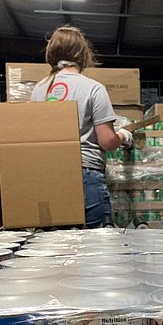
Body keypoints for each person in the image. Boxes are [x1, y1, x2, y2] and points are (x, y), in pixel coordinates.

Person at [30, 25, 132, 228]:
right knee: (94, 247)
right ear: (83, 54)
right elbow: (106, 141)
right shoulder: (93, 88)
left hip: (47, 175)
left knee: (53, 246)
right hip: (85, 175)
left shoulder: (38, 90)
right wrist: (122, 135)